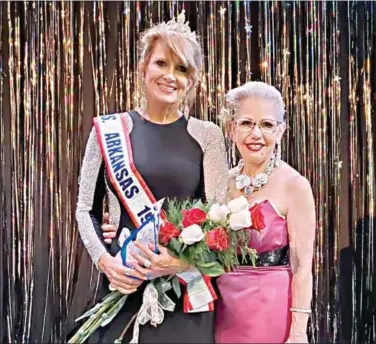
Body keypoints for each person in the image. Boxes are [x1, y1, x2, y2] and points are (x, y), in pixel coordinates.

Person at [75, 10, 228, 344]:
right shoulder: (111, 130)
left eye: (182, 68)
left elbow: (221, 218)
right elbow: (85, 208)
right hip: (124, 282)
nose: (170, 76)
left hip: (186, 290)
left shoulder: (208, 135)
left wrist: (178, 262)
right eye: (161, 63)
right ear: (143, 67)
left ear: (193, 80)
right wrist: (104, 261)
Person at [215, 81, 315, 343]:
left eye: (267, 125)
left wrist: (297, 333)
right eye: (246, 123)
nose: (256, 134)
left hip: (270, 310)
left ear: (280, 131)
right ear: (231, 129)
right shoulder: (220, 183)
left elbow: (302, 267)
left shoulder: (295, 185)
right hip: (221, 309)